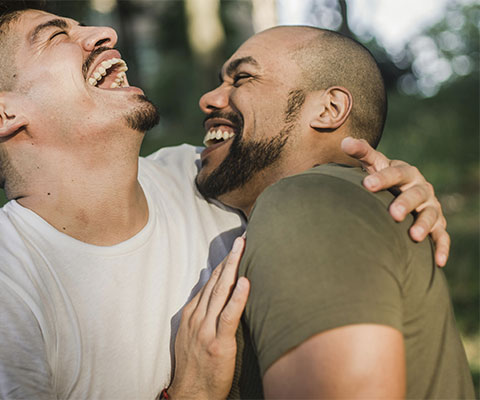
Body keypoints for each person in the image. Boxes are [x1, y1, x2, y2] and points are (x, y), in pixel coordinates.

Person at [0, 1, 450, 398]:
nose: (103, 32)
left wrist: (384, 183)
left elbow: (302, 158)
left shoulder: (205, 177)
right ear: (3, 116)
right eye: (55, 36)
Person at [188, 26, 473, 398]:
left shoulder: (305, 203)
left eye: (242, 78)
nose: (209, 98)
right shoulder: (353, 202)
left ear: (329, 109)